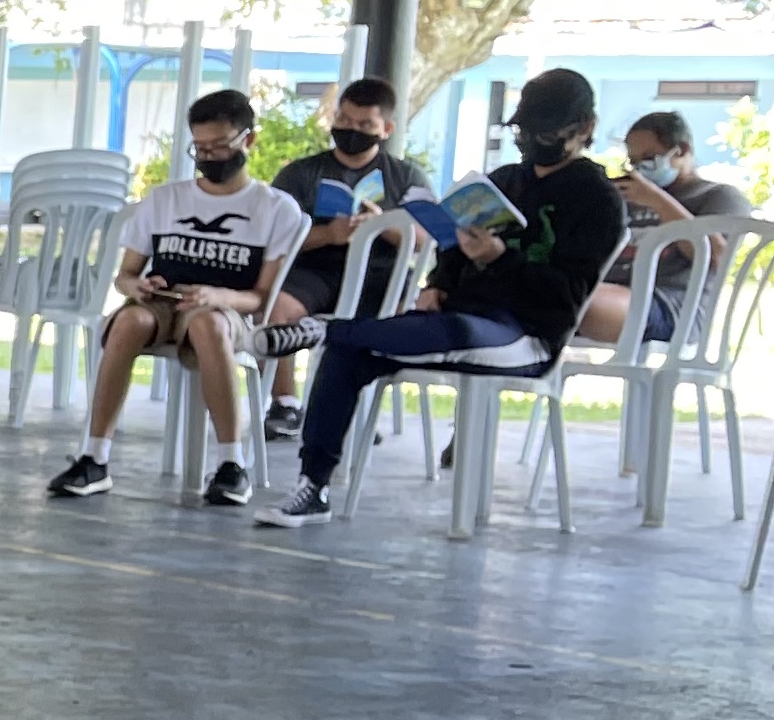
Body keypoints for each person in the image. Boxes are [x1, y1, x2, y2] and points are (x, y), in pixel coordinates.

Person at [248, 67, 628, 524]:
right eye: (525, 132)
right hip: (457, 313)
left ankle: (322, 329)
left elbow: (566, 294)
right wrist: (438, 285)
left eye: (547, 133)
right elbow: (451, 248)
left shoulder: (598, 199)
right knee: (347, 353)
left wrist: (500, 258)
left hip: (526, 334)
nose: (533, 142)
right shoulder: (505, 179)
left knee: (449, 331)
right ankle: (313, 486)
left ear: (585, 128)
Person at [45, 89, 302, 507]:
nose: (209, 157)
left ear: (248, 141)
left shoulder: (274, 209)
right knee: (128, 321)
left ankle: (231, 463)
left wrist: (218, 295)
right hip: (164, 300)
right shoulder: (165, 200)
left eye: (219, 146)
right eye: (200, 148)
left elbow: (261, 298)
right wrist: (137, 287)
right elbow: (125, 275)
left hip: (228, 308)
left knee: (208, 323)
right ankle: (94, 456)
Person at [258, 77, 427, 436]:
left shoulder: (406, 176)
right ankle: (284, 402)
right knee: (272, 307)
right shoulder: (300, 173)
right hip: (315, 271)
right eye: (345, 120)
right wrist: (328, 234)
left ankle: (353, 410)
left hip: (381, 275)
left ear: (386, 129)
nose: (352, 130)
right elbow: (270, 237)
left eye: (365, 125)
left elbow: (426, 240)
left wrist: (383, 225)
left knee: (404, 318)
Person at [578, 108, 752, 346]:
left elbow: (716, 257)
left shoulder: (717, 196)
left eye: (649, 158)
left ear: (681, 150)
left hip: (670, 307)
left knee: (576, 303)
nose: (640, 168)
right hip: (609, 293)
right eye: (633, 161)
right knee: (548, 298)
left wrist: (657, 200)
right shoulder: (629, 195)